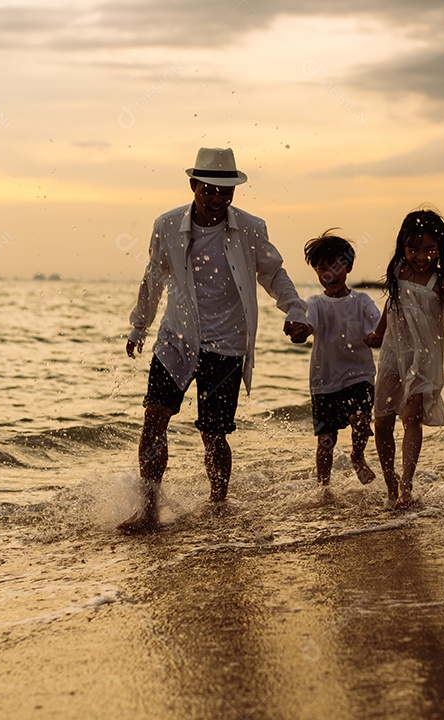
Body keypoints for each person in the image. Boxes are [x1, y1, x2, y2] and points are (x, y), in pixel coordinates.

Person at [121, 147, 311, 532]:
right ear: (193, 186)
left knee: (214, 433)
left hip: (226, 344)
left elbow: (273, 274)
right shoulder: (167, 225)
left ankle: (218, 505)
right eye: (209, 191)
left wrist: (295, 309)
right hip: (176, 338)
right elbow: (153, 278)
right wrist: (139, 327)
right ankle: (149, 509)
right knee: (154, 418)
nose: (217, 200)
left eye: (225, 192)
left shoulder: (250, 228)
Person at [365, 209, 444, 509]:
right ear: (402, 246)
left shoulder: (442, 280)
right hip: (394, 353)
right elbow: (391, 306)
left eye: (429, 249)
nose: (421, 256)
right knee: (381, 421)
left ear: (440, 249)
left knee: (411, 417)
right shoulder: (397, 272)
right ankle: (390, 484)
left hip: (425, 357)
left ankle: (406, 487)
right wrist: (378, 334)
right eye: (413, 249)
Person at [293, 230, 382, 487]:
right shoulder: (316, 303)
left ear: (349, 266)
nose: (329, 274)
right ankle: (324, 488)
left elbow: (376, 329)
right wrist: (300, 331)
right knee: (325, 441)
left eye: (336, 266)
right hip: (325, 381)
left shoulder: (362, 301)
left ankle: (357, 456)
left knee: (361, 419)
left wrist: (375, 338)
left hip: (359, 375)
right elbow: (308, 325)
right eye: (322, 268)